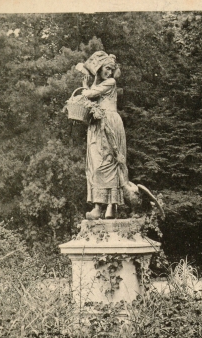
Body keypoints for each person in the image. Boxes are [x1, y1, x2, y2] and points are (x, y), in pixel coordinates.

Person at [79, 51, 128, 220]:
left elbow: (88, 94)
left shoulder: (111, 82)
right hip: (99, 124)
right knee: (97, 163)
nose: (109, 72)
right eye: (106, 68)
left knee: (107, 163)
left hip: (108, 123)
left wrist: (86, 85)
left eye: (111, 69)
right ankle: (102, 207)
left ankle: (107, 206)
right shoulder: (103, 83)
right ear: (99, 69)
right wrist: (92, 82)